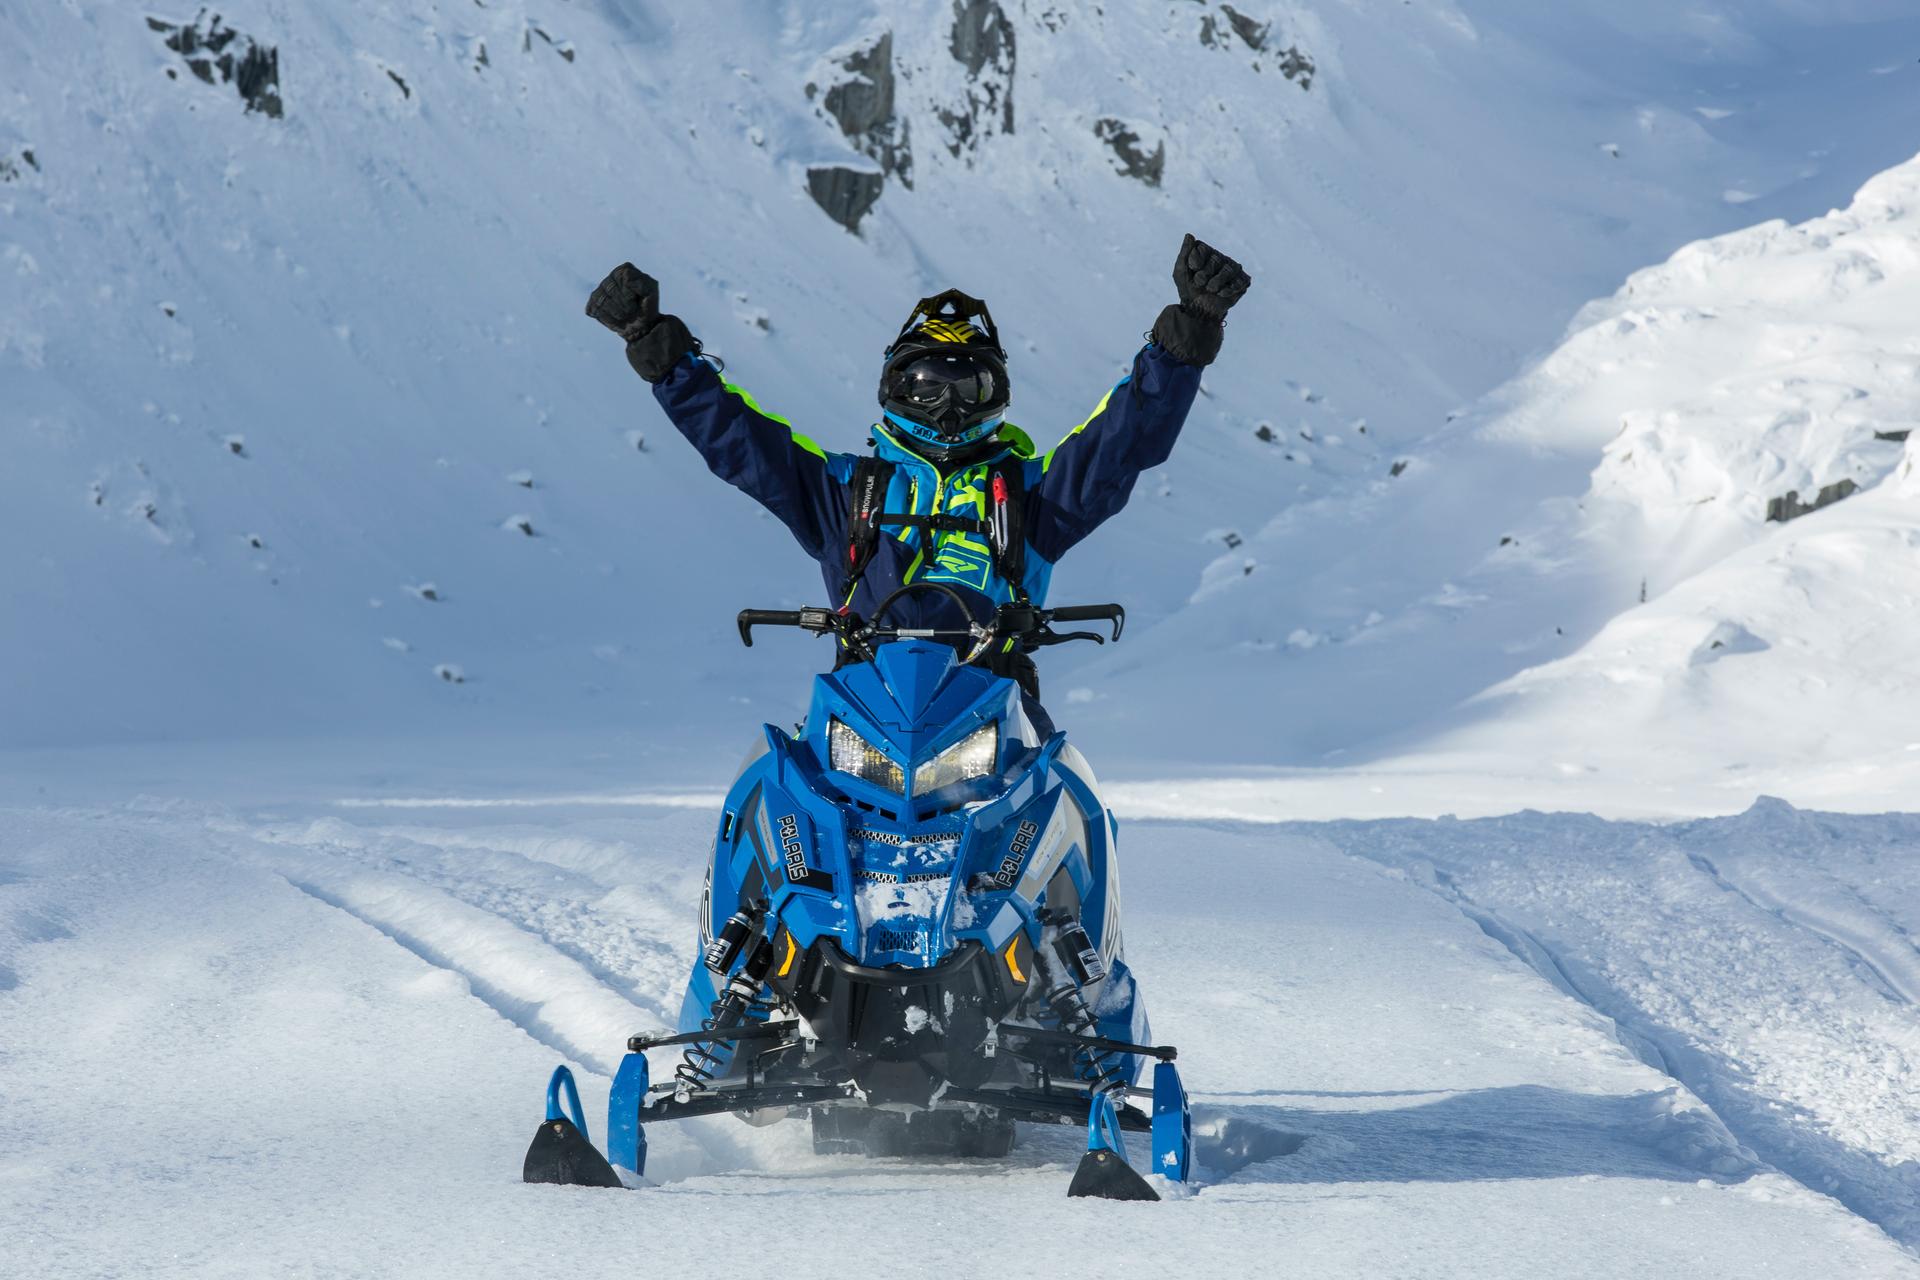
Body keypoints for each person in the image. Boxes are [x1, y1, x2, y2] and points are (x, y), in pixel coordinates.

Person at [586, 235, 1250, 736]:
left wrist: (1184, 338)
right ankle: (749, 921)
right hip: (864, 705)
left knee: (1064, 797)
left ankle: (1067, 922)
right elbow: (741, 443)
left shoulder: (1028, 494)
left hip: (993, 703)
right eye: (927, 386)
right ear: (896, 389)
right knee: (775, 789)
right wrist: (660, 351)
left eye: (970, 387)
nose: (948, 407)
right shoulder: (849, 489)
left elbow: (1120, 443)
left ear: (997, 396)